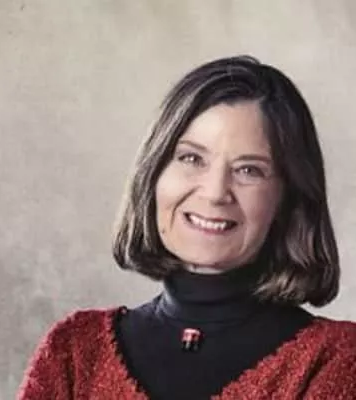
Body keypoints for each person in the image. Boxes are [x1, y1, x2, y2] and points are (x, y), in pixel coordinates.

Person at [18, 56, 356, 399]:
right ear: (153, 173)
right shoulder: (74, 351)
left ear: (287, 199)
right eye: (191, 158)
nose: (215, 193)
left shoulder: (338, 358)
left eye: (248, 170)